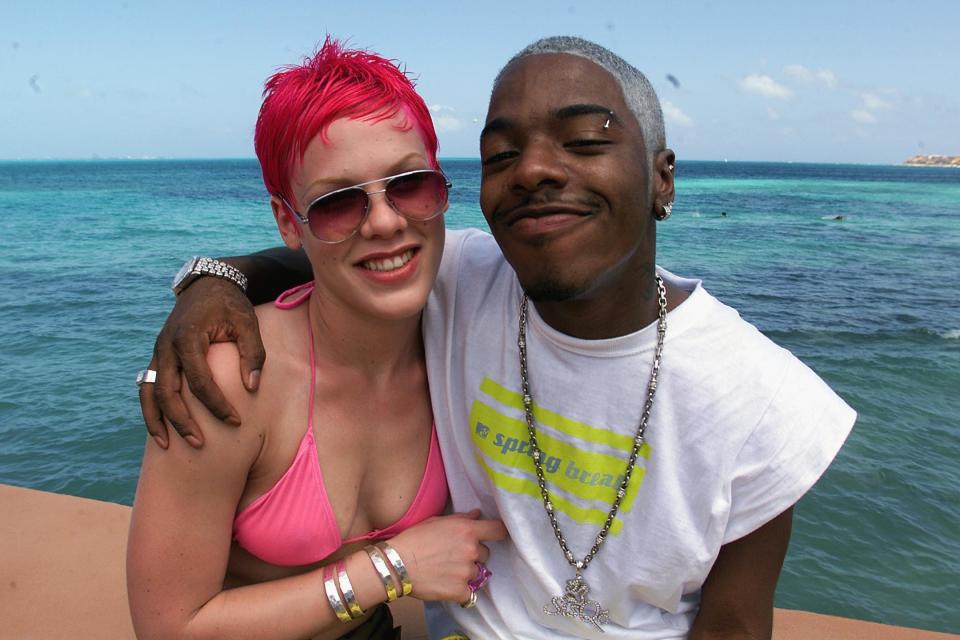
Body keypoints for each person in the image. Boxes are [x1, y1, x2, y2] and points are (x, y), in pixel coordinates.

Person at [141, 37, 856, 639]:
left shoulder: (763, 400)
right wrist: (210, 281)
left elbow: (734, 626)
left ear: (663, 179)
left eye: (411, 186)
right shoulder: (260, 362)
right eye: (502, 156)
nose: (386, 222)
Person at [126, 39, 507, 640]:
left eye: (409, 185)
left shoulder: (460, 340)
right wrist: (393, 568)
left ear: (442, 192)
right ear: (288, 222)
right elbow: (168, 626)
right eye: (337, 203)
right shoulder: (232, 379)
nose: (384, 221)